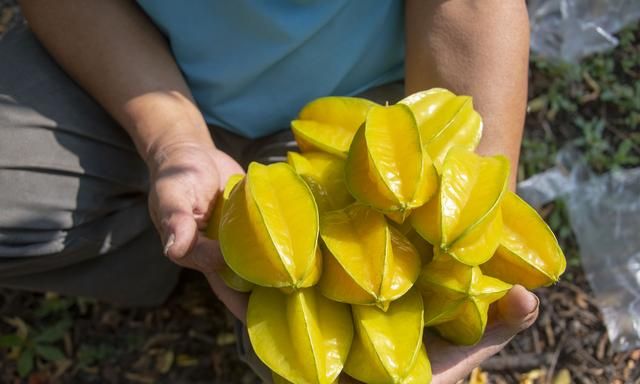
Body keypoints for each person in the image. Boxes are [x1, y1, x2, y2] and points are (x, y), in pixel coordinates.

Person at [0, 1, 538, 382]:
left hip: (365, 108)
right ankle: (185, 258)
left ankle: (234, 267)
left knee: (342, 362)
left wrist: (463, 239)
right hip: (132, 61)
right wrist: (172, 139)